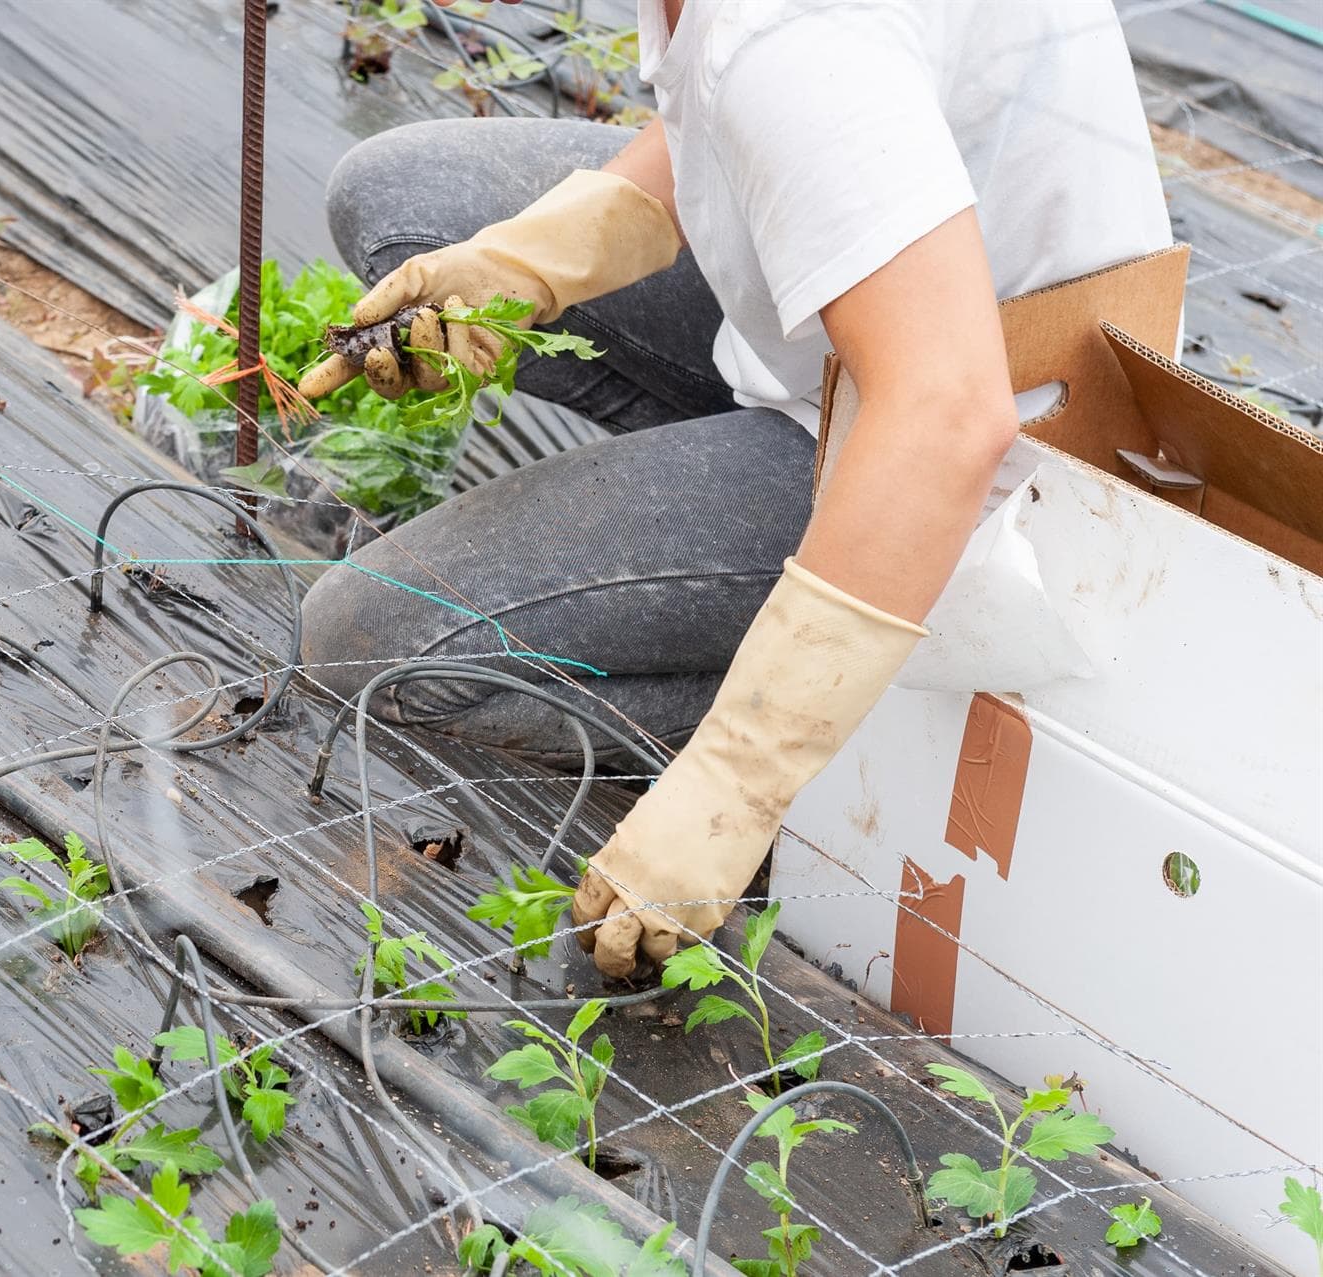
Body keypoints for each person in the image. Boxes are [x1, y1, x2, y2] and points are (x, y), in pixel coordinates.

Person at [295, 0, 1171, 979]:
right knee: (402, 199)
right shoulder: (771, 46)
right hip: (877, 335)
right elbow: (759, 127)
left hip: (987, 467)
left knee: (375, 646)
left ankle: (833, 685)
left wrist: (740, 772)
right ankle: (728, 574)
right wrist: (531, 264)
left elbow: (948, 413)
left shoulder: (792, 35)